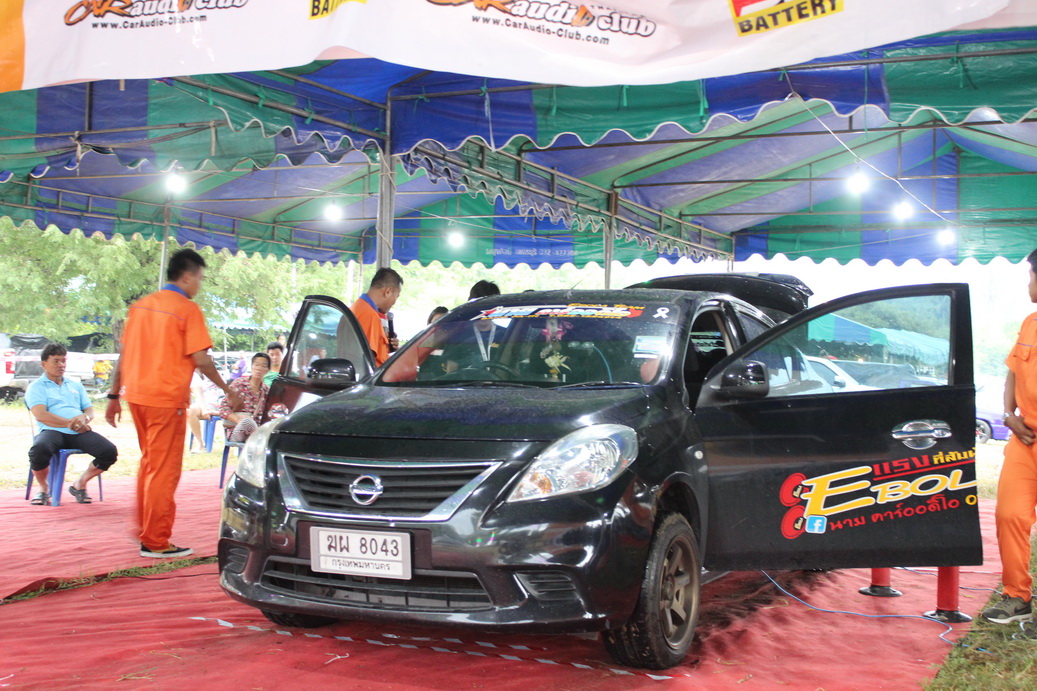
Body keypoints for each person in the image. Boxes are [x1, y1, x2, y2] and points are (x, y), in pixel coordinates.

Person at [105, 248, 242, 559]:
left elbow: (124, 356)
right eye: (200, 279)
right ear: (187, 277)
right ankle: (155, 540)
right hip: (165, 400)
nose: (200, 285)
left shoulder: (141, 306)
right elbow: (201, 360)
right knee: (163, 471)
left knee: (150, 465)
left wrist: (113, 396)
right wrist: (227, 389)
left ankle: (146, 529)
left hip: (137, 397)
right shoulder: (186, 309)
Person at [983, 248, 1037, 625]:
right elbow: (1013, 372)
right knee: (1009, 514)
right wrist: (1008, 415)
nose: (1028, 283)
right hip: (1025, 439)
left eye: (1031, 275)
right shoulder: (1030, 323)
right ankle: (1017, 595)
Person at [26, 343, 118, 505]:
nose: (61, 365)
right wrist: (71, 423)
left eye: (63, 361)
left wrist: (85, 419)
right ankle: (44, 489)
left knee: (109, 451)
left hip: (78, 432)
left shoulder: (75, 385)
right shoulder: (36, 387)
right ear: (44, 364)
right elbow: (41, 415)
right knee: (39, 450)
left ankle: (80, 483)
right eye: (56, 361)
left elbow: (89, 410)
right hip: (52, 431)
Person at [350, 268, 403, 367]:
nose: (394, 302)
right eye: (396, 296)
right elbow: (367, 362)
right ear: (388, 291)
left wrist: (386, 345)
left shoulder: (358, 307)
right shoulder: (369, 315)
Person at [220, 352, 271, 442]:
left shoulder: (266, 390)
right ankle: (259, 441)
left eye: (263, 366)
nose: (259, 368)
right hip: (237, 430)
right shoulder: (239, 383)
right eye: (256, 365)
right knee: (248, 422)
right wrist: (238, 420)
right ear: (251, 367)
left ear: (268, 370)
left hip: (257, 431)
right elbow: (223, 408)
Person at [186, 370, 221, 453]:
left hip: (218, 402)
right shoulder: (192, 375)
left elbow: (199, 396)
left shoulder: (217, 373)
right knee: (191, 410)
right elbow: (198, 396)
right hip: (203, 404)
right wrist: (204, 409)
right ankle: (200, 443)